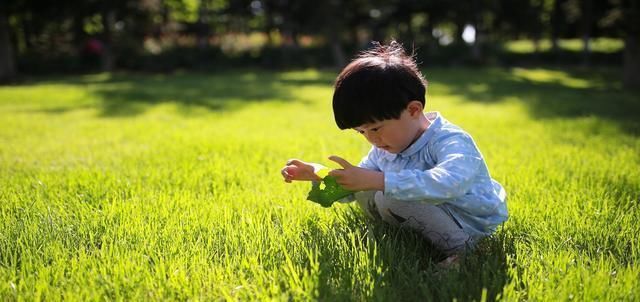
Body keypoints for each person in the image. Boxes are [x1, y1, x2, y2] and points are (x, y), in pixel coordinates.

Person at [280, 41, 508, 265]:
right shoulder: (385, 147)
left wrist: (380, 180)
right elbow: (357, 183)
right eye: (362, 132)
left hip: (469, 220)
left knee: (390, 195)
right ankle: (401, 231)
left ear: (413, 110)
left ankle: (466, 250)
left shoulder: (451, 141)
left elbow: (450, 183)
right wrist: (317, 173)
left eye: (376, 128)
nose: (371, 139)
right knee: (366, 188)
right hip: (432, 211)